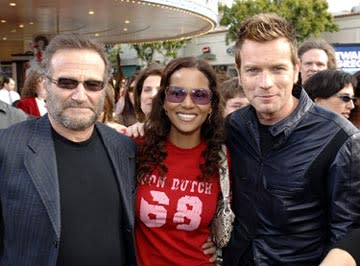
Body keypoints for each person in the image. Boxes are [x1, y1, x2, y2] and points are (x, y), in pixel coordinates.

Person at [223, 13, 360, 265]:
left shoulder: (340, 138)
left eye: (278, 69)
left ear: (296, 70)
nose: (266, 83)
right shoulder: (234, 125)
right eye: (253, 70)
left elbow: (351, 228)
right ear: (239, 73)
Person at [0, 33, 137, 265]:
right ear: (45, 84)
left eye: (92, 84)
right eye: (67, 82)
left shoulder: (124, 147)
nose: (80, 95)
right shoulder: (7, 147)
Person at [135, 56, 223, 265]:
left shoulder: (223, 158)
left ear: (211, 105)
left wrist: (221, 245)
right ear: (164, 102)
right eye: (176, 93)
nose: (187, 104)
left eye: (200, 95)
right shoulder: (137, 147)